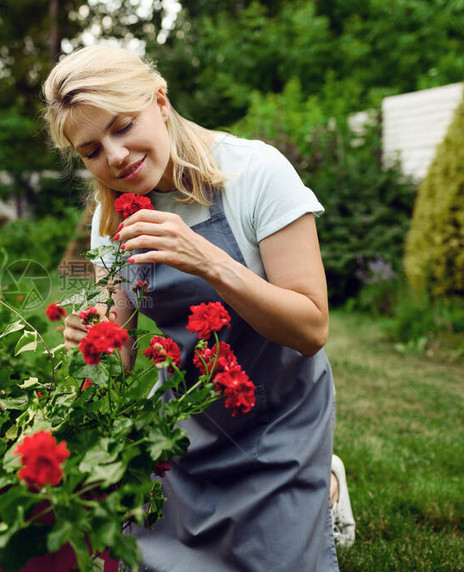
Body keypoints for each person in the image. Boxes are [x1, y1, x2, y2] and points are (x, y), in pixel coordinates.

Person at [43, 45, 341, 571]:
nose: (113, 156)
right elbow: (124, 356)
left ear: (160, 100)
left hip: (278, 419)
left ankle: (326, 483)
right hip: (182, 423)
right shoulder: (112, 217)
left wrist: (207, 260)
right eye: (91, 150)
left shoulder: (256, 173)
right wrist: (96, 339)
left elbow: (311, 327)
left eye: (123, 125)